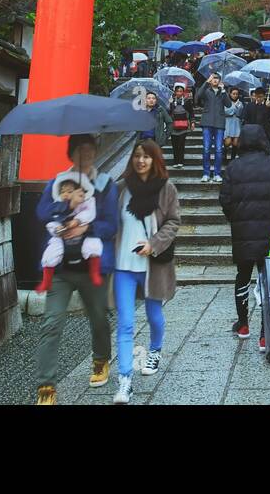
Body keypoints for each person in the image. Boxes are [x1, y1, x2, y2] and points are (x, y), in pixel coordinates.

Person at [35, 134, 118, 404]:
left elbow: (111, 224)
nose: (86, 156)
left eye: (91, 151)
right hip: (61, 267)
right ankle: (46, 385)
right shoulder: (59, 182)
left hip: (92, 263)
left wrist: (87, 227)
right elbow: (42, 212)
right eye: (81, 151)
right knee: (52, 322)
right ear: (71, 154)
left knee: (98, 317)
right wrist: (65, 205)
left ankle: (100, 359)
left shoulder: (105, 185)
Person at [113, 139, 181, 404]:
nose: (141, 161)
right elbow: (108, 222)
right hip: (123, 266)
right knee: (126, 323)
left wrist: (153, 244)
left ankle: (155, 350)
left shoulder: (166, 189)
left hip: (153, 264)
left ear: (155, 160)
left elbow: (174, 221)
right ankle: (125, 381)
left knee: (154, 315)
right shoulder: (121, 189)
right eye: (137, 156)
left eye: (146, 157)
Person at [219, 124, 270, 342]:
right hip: (269, 234)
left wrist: (236, 219)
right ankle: (264, 333)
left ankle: (243, 325)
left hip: (242, 232)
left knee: (242, 276)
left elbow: (225, 200)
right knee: (266, 280)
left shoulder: (233, 167)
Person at [35, 170, 103, 293]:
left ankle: (94, 273)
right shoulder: (58, 204)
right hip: (62, 235)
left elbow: (90, 213)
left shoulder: (88, 202)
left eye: (70, 191)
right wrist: (56, 229)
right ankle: (46, 281)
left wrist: (77, 220)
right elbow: (50, 220)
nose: (66, 194)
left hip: (82, 233)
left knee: (94, 245)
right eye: (63, 192)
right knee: (51, 253)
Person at [196, 72, 226, 183]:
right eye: (213, 78)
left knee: (219, 150)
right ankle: (206, 173)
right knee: (206, 149)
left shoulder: (222, 93)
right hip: (207, 122)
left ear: (219, 81)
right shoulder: (207, 91)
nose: (215, 80)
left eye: (217, 78)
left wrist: (224, 91)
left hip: (219, 123)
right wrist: (206, 82)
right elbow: (198, 95)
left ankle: (217, 173)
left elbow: (228, 104)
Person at [166, 83, 193, 166]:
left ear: (183, 92)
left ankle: (181, 161)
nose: (179, 93)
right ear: (175, 92)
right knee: (174, 144)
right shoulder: (171, 100)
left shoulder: (187, 101)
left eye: (181, 91)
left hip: (184, 126)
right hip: (174, 126)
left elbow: (191, 112)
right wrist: (169, 104)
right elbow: (168, 113)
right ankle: (175, 161)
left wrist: (192, 122)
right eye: (177, 91)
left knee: (181, 144)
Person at [222, 86, 245, 172]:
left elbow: (239, 113)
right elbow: (226, 112)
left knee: (236, 143)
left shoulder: (240, 103)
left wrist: (235, 109)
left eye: (236, 94)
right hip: (228, 123)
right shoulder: (226, 102)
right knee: (227, 142)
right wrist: (234, 108)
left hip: (237, 123)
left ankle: (232, 159)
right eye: (233, 94)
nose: (235, 95)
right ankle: (224, 156)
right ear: (230, 94)